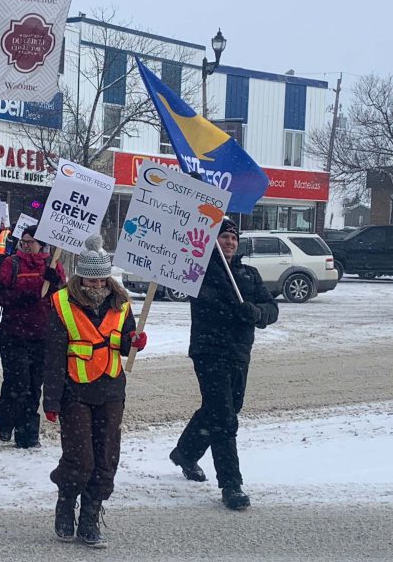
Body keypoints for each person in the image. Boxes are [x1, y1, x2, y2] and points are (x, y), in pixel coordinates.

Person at [42, 234, 145, 547]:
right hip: (76, 389)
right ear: (80, 275)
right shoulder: (61, 303)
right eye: (91, 277)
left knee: (106, 458)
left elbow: (125, 341)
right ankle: (65, 501)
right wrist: (51, 399)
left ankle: (90, 515)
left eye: (102, 277)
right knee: (80, 458)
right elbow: (54, 355)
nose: (97, 283)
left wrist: (135, 342)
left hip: (111, 388)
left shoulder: (121, 302)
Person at [169, 218, 278, 510]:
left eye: (233, 238)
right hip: (209, 351)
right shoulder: (199, 271)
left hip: (239, 352)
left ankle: (185, 452)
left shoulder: (249, 275)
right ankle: (231, 484)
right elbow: (202, 296)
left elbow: (272, 310)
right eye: (223, 237)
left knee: (228, 407)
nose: (229, 242)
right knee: (224, 418)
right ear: (212, 241)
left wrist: (254, 312)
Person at [0, 225, 65, 448]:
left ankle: (28, 433)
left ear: (42, 245)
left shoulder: (54, 266)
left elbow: (63, 299)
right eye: (23, 242)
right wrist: (22, 296)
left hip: (42, 335)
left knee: (34, 385)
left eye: (30, 242)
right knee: (17, 381)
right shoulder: (11, 263)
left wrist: (54, 286)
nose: (25, 246)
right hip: (14, 333)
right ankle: (5, 420)